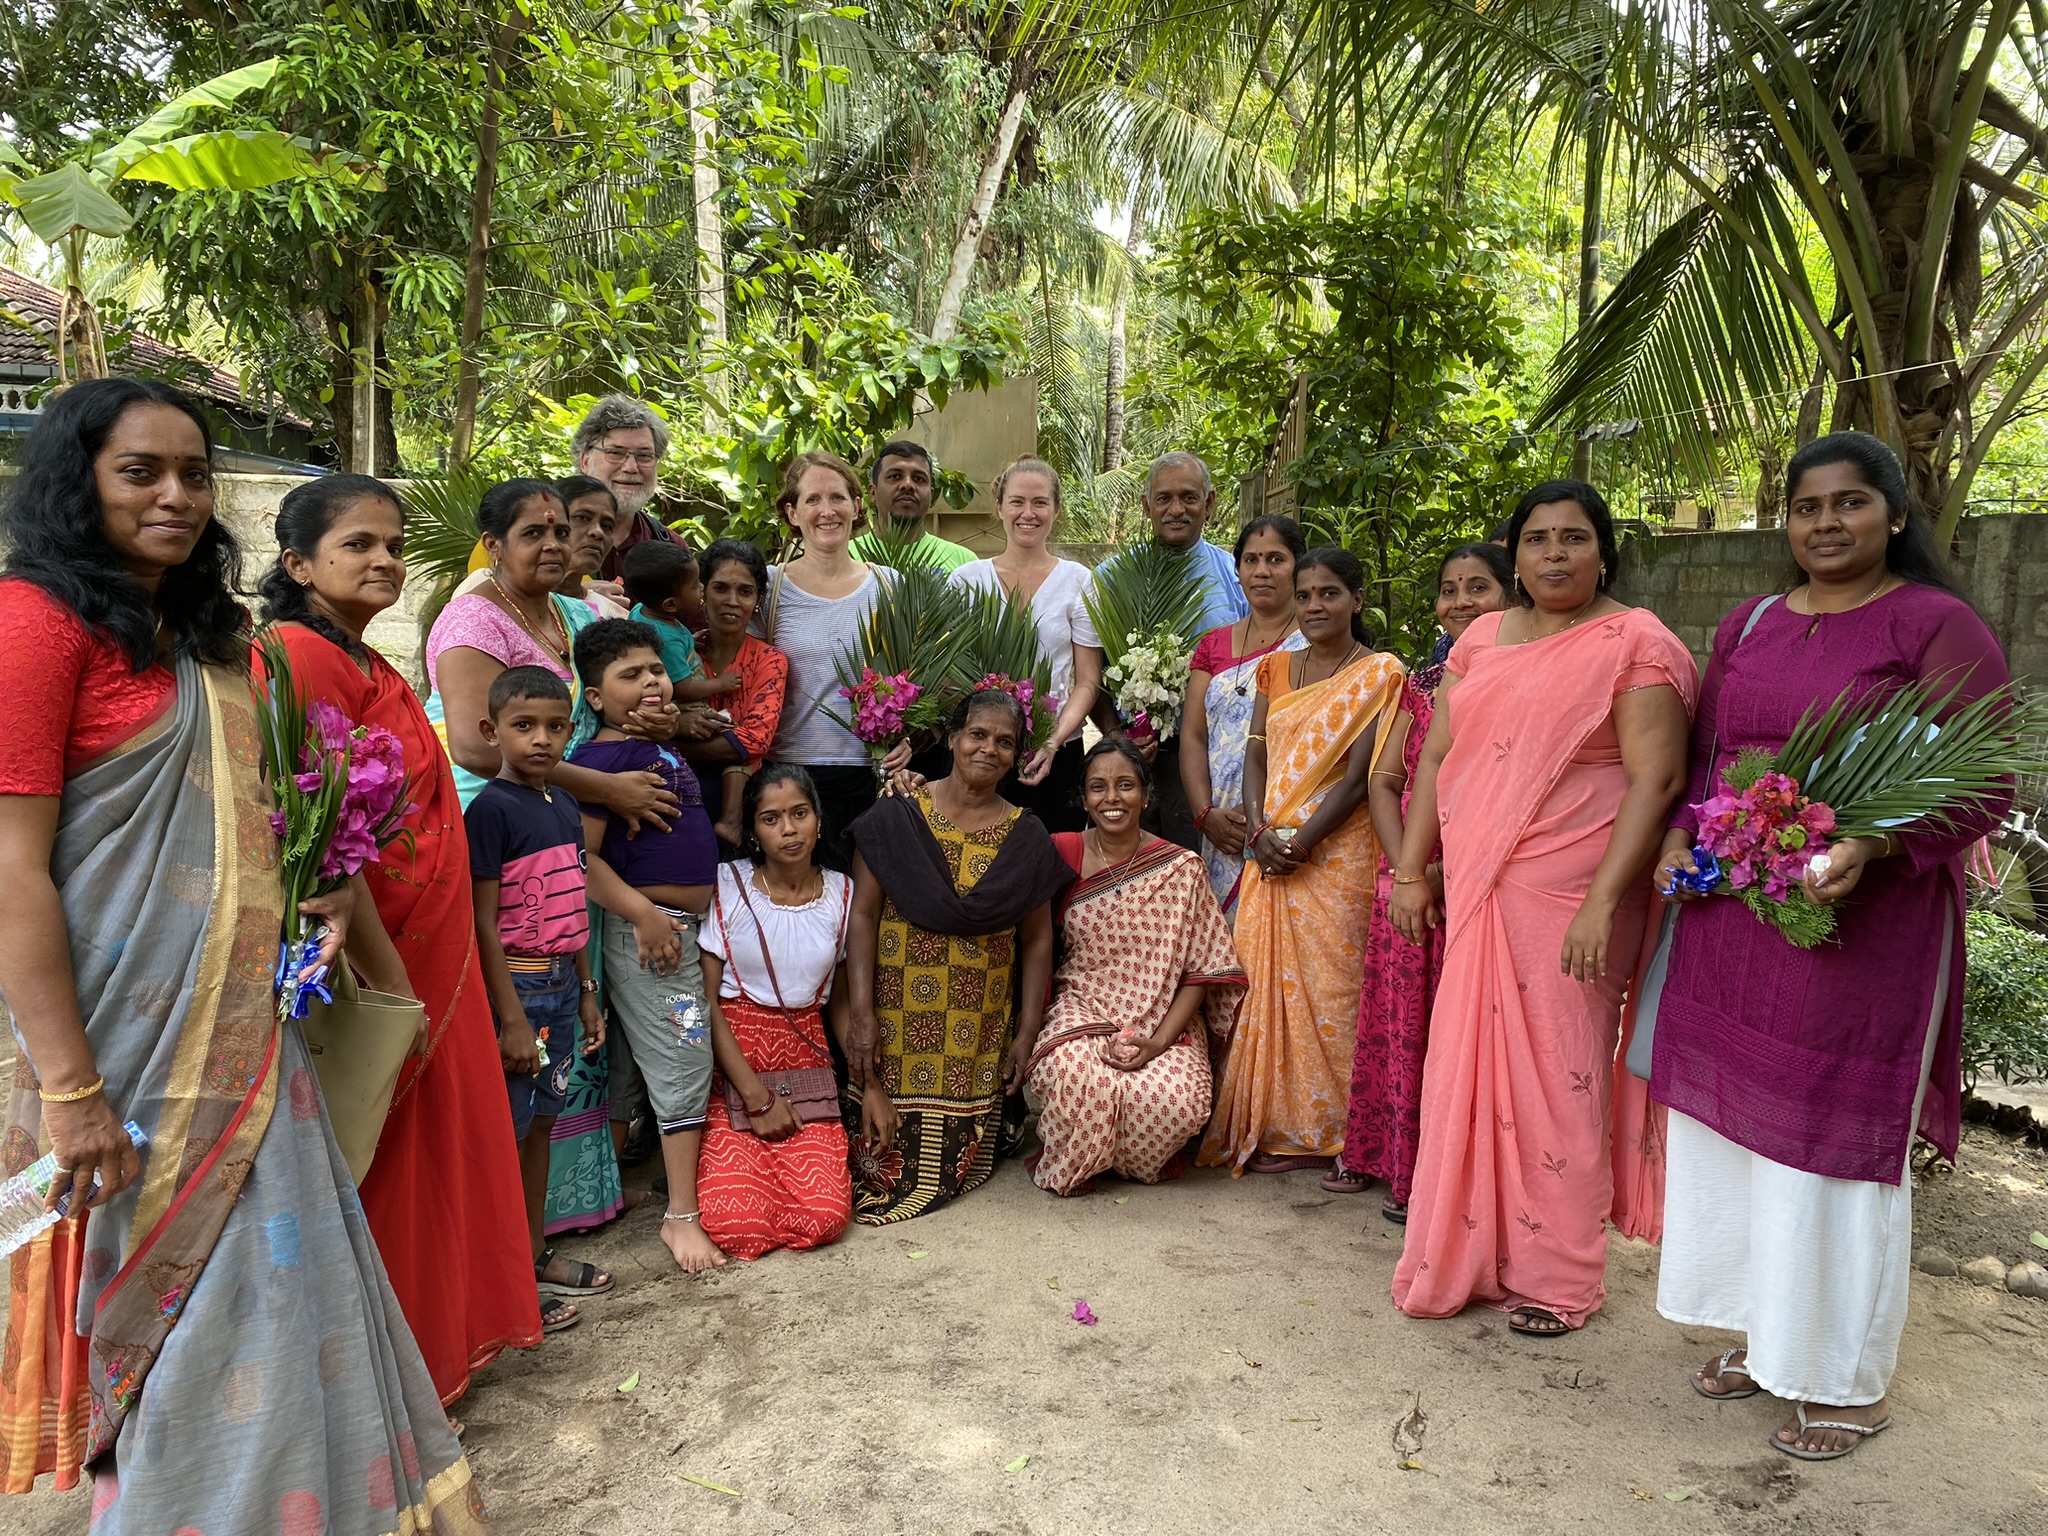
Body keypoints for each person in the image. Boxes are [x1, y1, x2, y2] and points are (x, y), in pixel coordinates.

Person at [0, 377, 478, 1525]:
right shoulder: (32, 624)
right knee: (194, 1314)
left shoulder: (207, 638)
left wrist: (302, 892)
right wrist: (70, 1092)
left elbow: (245, 821)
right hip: (125, 1052)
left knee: (289, 1286)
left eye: (194, 473)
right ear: (79, 482)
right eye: (139, 472)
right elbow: (11, 868)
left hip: (247, 1035)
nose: (174, 495)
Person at [1651, 433, 2011, 1459]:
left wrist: (1868, 841)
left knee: (1828, 1141)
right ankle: (1763, 1338)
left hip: (1863, 926)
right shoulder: (1751, 621)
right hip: (1735, 916)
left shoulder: (1934, 624)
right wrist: (1682, 831)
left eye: (1848, 504)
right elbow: (1710, 754)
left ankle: (1840, 1377)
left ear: (1893, 515)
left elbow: (1983, 780)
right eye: (1805, 508)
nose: (1823, 525)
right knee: (1733, 1135)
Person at [259, 474, 550, 1396]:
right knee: (378, 1157)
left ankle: (434, 1353)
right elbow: (304, 832)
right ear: (297, 563)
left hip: (437, 938)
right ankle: (383, 1379)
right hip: (375, 959)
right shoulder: (292, 659)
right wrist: (388, 976)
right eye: (357, 545)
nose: (383, 559)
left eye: (391, 544)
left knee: (432, 1156)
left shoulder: (374, 664)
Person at [1389, 480, 1696, 1336]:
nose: (1554, 554)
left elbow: (1658, 779)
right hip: (1486, 886)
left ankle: (1561, 1276)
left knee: (1563, 1077)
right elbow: (1437, 757)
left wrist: (1603, 902)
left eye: (1573, 538)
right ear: (1514, 553)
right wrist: (1414, 870)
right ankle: (1474, 1250)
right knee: (1469, 1067)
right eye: (1535, 539)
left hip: (1581, 895)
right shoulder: (1482, 637)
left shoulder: (1637, 641)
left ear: (1605, 549)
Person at [1197, 548, 1408, 1174]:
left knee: (1335, 989)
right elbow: (1255, 753)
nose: (1316, 606)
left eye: (1330, 594)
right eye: (1308, 595)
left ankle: (1339, 1131)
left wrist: (1304, 839)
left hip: (1338, 851)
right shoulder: (1276, 670)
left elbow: (1359, 776)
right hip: (1272, 845)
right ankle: (1282, 1127)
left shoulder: (1380, 673)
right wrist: (1261, 829)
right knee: (1269, 985)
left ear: (1357, 600)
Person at [1324, 543, 1515, 1218]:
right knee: (1397, 1023)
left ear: (1510, 596)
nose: (1461, 601)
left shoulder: (1525, 681)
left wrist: (1441, 869)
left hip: (1478, 876)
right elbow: (1385, 778)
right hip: (1407, 873)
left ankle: (1443, 1179)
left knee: (1457, 1031)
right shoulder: (1424, 682)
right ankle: (1385, 1156)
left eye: (1479, 587)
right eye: (1450, 589)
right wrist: (1405, 865)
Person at [843, 690, 1070, 1224]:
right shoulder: (896, 817)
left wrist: (1027, 1029)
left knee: (951, 1164)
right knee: (875, 1164)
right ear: (950, 738)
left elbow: (1038, 940)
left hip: (975, 1028)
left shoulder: (1025, 835)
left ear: (1017, 755)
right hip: (895, 1012)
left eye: (1005, 742)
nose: (988, 749)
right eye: (977, 734)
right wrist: (860, 1013)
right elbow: (863, 916)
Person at [568, 619, 726, 1272]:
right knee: (687, 1054)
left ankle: (612, 1189)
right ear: (596, 697)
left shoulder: (650, 750)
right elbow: (582, 857)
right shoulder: (601, 764)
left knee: (635, 1066)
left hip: (677, 931)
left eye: (655, 670)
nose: (651, 683)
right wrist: (643, 915)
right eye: (629, 676)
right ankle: (681, 1218)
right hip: (654, 939)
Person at [1026, 739, 1247, 1195]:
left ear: (1146, 796)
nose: (1112, 798)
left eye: (1125, 785)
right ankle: (1090, 1156)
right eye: (1098, 788)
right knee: (1070, 1077)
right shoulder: (1060, 849)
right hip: (1082, 1006)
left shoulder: (1181, 868)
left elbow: (1203, 970)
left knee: (1178, 1102)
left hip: (1162, 1015)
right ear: (1083, 799)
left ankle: (1115, 1156)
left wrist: (1160, 1040)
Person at [464, 667, 611, 1334]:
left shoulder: (563, 807)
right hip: (520, 990)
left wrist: (585, 993)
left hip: (560, 988)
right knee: (512, 1130)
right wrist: (513, 1019)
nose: (542, 740)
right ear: (492, 732)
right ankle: (506, 1284)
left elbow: (573, 902)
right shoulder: (490, 811)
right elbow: (483, 924)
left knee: (545, 1123)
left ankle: (533, 1253)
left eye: (557, 727)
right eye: (524, 727)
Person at [424, 477, 682, 819]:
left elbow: (611, 699)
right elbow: (477, 750)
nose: (554, 545)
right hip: (483, 819)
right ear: (494, 545)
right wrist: (609, 789)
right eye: (533, 534)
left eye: (561, 533)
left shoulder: (574, 613)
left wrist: (657, 718)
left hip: (559, 814)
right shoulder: (473, 621)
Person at [698, 767, 856, 1257]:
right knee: (738, 1223)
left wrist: (869, 1085)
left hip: (806, 1065)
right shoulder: (728, 884)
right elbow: (705, 1003)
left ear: (818, 819)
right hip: (735, 1064)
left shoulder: (843, 894)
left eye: (799, 814)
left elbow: (842, 1006)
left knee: (825, 1218)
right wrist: (756, 1098)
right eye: (771, 818)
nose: (788, 829)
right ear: (752, 830)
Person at [1092, 451, 1250, 848]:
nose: (1176, 509)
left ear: (1209, 503)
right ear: (1147, 506)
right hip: (1131, 758)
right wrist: (1118, 734)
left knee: (1196, 871)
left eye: (1189, 497)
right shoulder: (1112, 579)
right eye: (1164, 499)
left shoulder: (1237, 576)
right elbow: (1090, 673)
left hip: (1212, 760)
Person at [948, 457, 1104, 831]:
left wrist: (1051, 742)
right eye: (1017, 501)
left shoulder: (1078, 581)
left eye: (1040, 503)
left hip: (1056, 753)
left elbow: (1086, 681)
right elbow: (950, 677)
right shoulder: (965, 581)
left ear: (1055, 509)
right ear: (999, 506)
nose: (1028, 513)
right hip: (980, 754)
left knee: (1051, 864)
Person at [757, 450, 891, 870]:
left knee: (860, 909)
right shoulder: (767, 588)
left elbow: (913, 681)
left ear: (857, 504)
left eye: (837, 497)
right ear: (793, 512)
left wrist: (910, 739)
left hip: (866, 777)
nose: (827, 510)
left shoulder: (890, 586)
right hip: (788, 780)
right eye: (813, 500)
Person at [1180, 515, 1308, 914]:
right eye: (1251, 560)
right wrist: (1205, 815)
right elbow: (1194, 736)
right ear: (1237, 571)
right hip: (1221, 828)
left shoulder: (1315, 642)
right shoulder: (1213, 645)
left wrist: (1261, 815)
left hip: (1287, 822)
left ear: (1297, 567)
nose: (1262, 571)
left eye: (1275, 559)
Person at [691, 538, 789, 847]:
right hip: (677, 795)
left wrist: (674, 741)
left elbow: (755, 739)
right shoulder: (679, 654)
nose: (732, 600)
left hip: (746, 805)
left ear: (758, 599)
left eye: (745, 591)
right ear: (701, 591)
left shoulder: (769, 661)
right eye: (720, 588)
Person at [572, 393, 683, 580]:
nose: (631, 467)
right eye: (615, 452)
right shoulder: (547, 534)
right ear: (585, 460)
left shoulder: (669, 546)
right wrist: (572, 594)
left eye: (644, 456)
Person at [621, 540, 736, 706]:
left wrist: (688, 641)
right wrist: (721, 684)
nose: (702, 587)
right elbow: (684, 688)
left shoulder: (641, 610)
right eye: (695, 585)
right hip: (683, 705)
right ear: (670, 605)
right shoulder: (668, 641)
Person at [851, 438, 975, 571]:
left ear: (931, 495)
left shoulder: (964, 564)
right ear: (873, 493)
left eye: (919, 479)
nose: (908, 485)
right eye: (895, 476)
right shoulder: (844, 557)